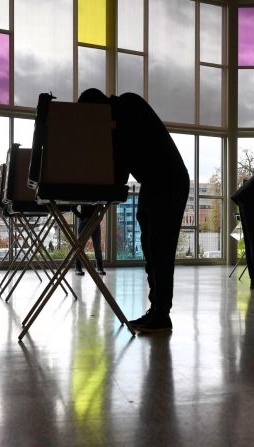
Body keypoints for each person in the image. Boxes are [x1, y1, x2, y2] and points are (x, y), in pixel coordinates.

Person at [78, 89, 190, 333]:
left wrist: (93, 194)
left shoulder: (125, 109)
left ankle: (161, 314)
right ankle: (157, 311)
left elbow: (119, 167)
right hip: (156, 182)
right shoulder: (123, 110)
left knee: (159, 248)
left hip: (169, 182)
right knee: (151, 247)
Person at [72, 204, 105, 276]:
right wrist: (82, 217)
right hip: (85, 222)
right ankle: (78, 268)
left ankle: (99, 268)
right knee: (80, 247)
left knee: (97, 246)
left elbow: (102, 208)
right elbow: (73, 208)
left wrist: (100, 218)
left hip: (94, 222)